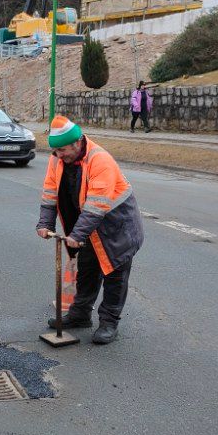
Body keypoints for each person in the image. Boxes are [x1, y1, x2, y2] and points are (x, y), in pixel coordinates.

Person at [36, 115, 143, 345]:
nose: (58, 156)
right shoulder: (57, 159)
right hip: (88, 229)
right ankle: (80, 315)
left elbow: (96, 206)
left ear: (77, 143)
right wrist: (45, 223)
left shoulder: (100, 159)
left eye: (62, 150)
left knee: (115, 277)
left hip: (117, 227)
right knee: (86, 271)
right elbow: (49, 193)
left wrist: (76, 235)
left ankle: (109, 323)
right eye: (55, 152)